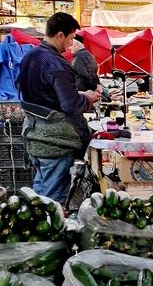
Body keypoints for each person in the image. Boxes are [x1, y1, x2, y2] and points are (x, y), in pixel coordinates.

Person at [17, 11, 101, 203]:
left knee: (40, 192)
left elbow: (41, 94)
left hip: (34, 135)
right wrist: (87, 98)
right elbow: (71, 105)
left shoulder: (29, 56)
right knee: (53, 200)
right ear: (60, 35)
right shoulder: (56, 64)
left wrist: (77, 94)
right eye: (71, 38)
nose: (71, 44)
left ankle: (39, 217)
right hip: (55, 142)